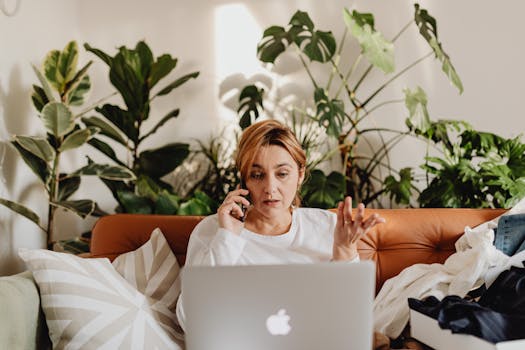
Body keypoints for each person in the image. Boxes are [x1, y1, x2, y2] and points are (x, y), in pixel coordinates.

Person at [175, 119, 385, 330]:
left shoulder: (330, 227)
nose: (270, 187)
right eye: (257, 175)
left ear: (300, 175)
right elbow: (189, 321)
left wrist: (344, 253)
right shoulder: (213, 231)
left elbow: (351, 318)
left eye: (282, 174)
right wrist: (227, 239)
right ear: (243, 181)